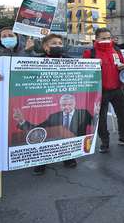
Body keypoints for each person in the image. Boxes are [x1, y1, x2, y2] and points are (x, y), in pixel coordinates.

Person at [17, 34, 97, 174]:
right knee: (47, 131)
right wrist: (27, 51)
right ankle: (42, 160)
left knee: (68, 129)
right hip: (43, 102)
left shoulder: (70, 60)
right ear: (45, 47)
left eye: (60, 43)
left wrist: (96, 65)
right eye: (54, 43)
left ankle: (68, 156)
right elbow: (16, 70)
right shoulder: (35, 60)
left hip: (65, 99)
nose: (58, 45)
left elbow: (86, 71)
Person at [83, 28, 124, 153]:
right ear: (96, 39)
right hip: (100, 92)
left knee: (122, 116)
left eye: (108, 37)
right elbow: (85, 72)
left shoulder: (116, 50)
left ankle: (123, 137)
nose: (106, 40)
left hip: (117, 89)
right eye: (103, 38)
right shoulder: (90, 53)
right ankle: (105, 142)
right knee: (101, 119)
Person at [0, 27, 32, 125]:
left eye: (10, 35)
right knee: (0, 124)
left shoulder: (27, 54)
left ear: (17, 38)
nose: (7, 38)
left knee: (19, 122)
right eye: (4, 36)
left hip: (20, 96)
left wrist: (30, 52)